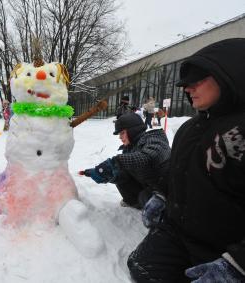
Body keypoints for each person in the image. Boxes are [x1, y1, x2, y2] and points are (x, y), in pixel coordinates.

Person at [128, 38, 245, 282]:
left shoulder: (240, 133)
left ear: (230, 76)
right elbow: (177, 171)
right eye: (185, 83)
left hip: (225, 249)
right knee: (141, 268)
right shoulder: (188, 128)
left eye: (197, 81)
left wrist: (237, 265)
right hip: (180, 231)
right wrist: (161, 194)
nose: (186, 88)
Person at [81, 113, 170, 208]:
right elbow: (124, 174)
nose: (120, 137)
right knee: (120, 174)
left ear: (133, 131)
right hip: (150, 188)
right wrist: (108, 175)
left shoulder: (154, 139)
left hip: (168, 192)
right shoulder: (129, 148)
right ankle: (136, 203)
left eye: (122, 133)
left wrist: (116, 161)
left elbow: (149, 157)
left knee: (145, 197)